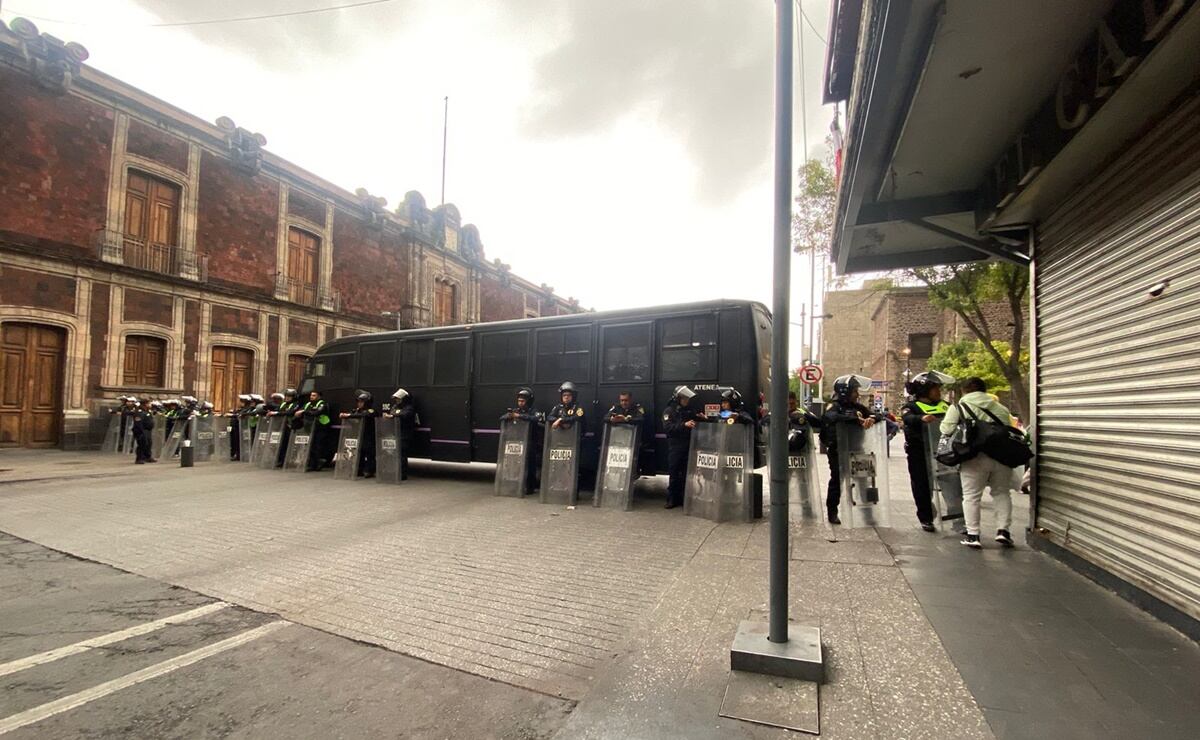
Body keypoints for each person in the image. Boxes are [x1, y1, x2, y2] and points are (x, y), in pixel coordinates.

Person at [940, 377, 1015, 549]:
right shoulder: (1000, 407)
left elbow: (946, 429)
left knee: (971, 496)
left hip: (974, 457)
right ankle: (1003, 531)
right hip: (1001, 456)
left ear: (965, 390)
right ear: (984, 390)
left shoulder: (959, 406)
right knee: (1002, 492)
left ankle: (973, 534)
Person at [820, 375, 881, 525]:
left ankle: (868, 513)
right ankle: (832, 512)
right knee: (837, 480)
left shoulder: (858, 407)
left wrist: (872, 418)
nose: (857, 394)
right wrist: (856, 420)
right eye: (854, 391)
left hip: (857, 449)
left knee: (863, 481)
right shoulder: (834, 406)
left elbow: (879, 415)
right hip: (838, 450)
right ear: (844, 391)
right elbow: (831, 417)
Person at [901, 371, 952, 532]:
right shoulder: (911, 407)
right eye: (935, 389)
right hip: (919, 452)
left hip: (943, 451)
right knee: (922, 485)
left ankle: (959, 519)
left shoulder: (946, 406)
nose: (939, 392)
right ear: (924, 391)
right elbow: (907, 418)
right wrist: (921, 418)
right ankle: (926, 517)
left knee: (952, 485)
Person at [662, 385, 704, 509]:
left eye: (687, 399)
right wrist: (683, 425)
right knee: (674, 472)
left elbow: (696, 419)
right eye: (685, 399)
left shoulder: (688, 411)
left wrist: (702, 418)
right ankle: (671, 499)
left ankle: (684, 499)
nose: (687, 401)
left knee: (686, 473)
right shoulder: (669, 411)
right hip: (675, 446)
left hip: (688, 446)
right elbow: (668, 428)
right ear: (678, 398)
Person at [501, 387, 542, 488]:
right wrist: (510, 416)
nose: (520, 403)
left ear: (528, 401)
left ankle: (530, 486)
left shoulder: (534, 411)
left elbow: (536, 418)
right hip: (518, 442)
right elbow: (502, 418)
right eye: (519, 401)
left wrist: (520, 416)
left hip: (531, 442)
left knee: (530, 465)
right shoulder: (516, 410)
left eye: (523, 401)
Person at [340, 391, 378, 478]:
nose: (359, 404)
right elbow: (353, 415)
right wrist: (345, 415)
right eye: (358, 402)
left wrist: (349, 415)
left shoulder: (371, 411)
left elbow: (364, 415)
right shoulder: (356, 411)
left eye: (361, 402)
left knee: (370, 454)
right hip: (359, 435)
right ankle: (359, 469)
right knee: (359, 453)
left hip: (369, 435)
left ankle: (369, 470)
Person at [294, 389, 333, 472]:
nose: (311, 397)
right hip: (310, 428)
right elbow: (299, 411)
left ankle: (318, 463)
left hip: (321, 428)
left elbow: (317, 412)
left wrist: (304, 412)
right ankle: (311, 464)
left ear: (319, 396)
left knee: (318, 446)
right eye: (311, 395)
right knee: (311, 446)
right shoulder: (308, 404)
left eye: (314, 395)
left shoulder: (322, 404)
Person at [387, 388, 419, 480]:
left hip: (404, 435)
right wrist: (394, 414)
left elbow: (405, 415)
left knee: (402, 455)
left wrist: (393, 415)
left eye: (398, 399)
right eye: (396, 399)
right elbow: (392, 412)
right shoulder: (396, 407)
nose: (397, 401)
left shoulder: (409, 408)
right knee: (394, 454)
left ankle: (402, 474)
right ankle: (393, 471)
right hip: (395, 434)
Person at [269, 389, 299, 468]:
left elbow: (290, 412)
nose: (287, 398)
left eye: (289, 396)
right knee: (281, 444)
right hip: (281, 427)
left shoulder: (295, 404)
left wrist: (277, 413)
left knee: (288, 444)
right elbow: (278, 410)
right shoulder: (283, 404)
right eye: (286, 396)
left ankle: (288, 460)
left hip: (290, 427)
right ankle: (280, 460)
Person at [131, 398, 156, 464]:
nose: (150, 404)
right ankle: (139, 458)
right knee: (142, 444)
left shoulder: (147, 411)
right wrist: (141, 431)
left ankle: (147, 456)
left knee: (148, 444)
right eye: (149, 403)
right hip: (141, 430)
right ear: (145, 404)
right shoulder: (139, 412)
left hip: (147, 430)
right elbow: (138, 422)